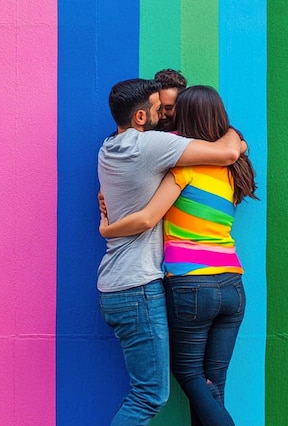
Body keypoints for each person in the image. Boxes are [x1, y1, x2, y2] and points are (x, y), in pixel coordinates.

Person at [100, 85, 257, 426]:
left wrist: (108, 226)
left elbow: (146, 217)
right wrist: (237, 139)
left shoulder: (179, 170)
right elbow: (232, 148)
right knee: (213, 386)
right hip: (233, 283)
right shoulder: (235, 168)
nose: (166, 118)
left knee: (188, 373)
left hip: (192, 286)